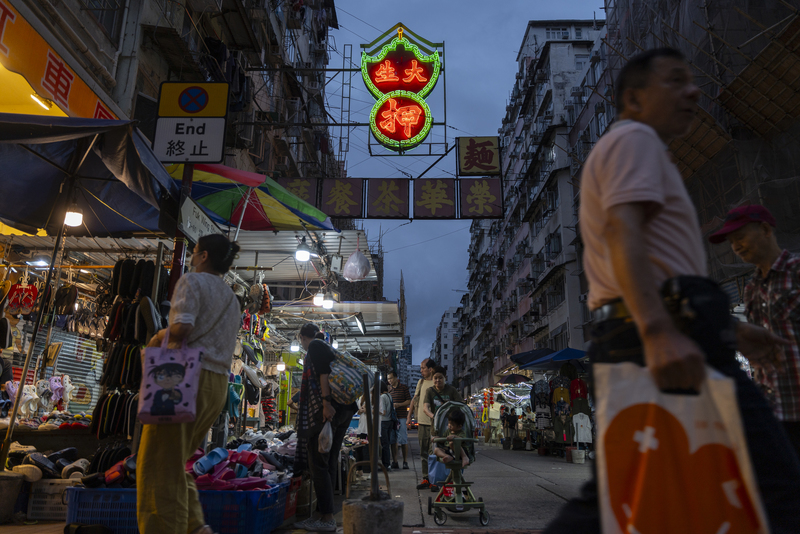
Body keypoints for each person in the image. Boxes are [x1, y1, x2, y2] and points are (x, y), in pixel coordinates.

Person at [544, 47, 800, 533]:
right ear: (635, 99)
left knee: (626, 496)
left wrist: (733, 331)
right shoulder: (633, 139)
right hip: (661, 337)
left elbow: (662, 263)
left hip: (667, 331)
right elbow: (623, 232)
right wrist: (660, 329)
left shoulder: (640, 149)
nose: (693, 90)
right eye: (676, 81)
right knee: (773, 486)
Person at [137, 234, 241, 534]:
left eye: (194, 252)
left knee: (156, 465)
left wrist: (157, 339)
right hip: (217, 385)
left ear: (204, 256)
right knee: (176, 460)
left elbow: (181, 328)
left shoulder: (192, 282)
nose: (192, 257)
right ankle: (195, 527)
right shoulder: (232, 298)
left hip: (184, 379)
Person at [710, 204, 800, 459]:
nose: (735, 247)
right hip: (775, 414)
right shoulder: (751, 289)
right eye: (731, 242)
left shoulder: (796, 272)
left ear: (764, 229)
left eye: (740, 237)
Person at [293, 323, 357, 533]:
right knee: (328, 461)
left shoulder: (316, 347)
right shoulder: (325, 346)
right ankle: (323, 514)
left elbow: (323, 374)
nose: (300, 343)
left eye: (300, 339)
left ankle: (327, 517)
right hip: (343, 410)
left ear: (302, 337)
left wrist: (326, 403)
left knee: (317, 463)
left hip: (330, 410)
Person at [409, 358, 436, 489]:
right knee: (423, 452)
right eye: (420, 368)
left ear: (430, 369)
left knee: (433, 453)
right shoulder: (421, 382)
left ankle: (434, 479)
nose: (421, 371)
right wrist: (409, 417)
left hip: (433, 423)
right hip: (421, 422)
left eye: (423, 368)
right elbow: (414, 399)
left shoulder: (437, 382)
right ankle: (426, 478)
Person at [423, 367, 463, 432]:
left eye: (440, 378)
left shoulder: (452, 390)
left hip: (452, 427)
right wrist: (435, 417)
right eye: (435, 378)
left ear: (445, 378)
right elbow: (425, 409)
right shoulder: (429, 391)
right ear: (432, 379)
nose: (438, 380)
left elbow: (461, 405)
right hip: (436, 426)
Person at [387, 370, 411, 469]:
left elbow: (409, 401)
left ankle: (405, 462)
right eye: (388, 379)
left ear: (396, 378)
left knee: (403, 440)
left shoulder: (404, 388)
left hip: (402, 417)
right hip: (392, 418)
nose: (390, 381)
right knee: (393, 441)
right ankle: (395, 461)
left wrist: (399, 405)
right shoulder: (388, 389)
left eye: (391, 378)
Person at [378, 380, 394, 471]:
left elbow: (383, 412)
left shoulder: (382, 397)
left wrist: (375, 411)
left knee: (384, 444)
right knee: (386, 444)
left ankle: (386, 465)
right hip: (389, 421)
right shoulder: (389, 395)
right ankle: (387, 464)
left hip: (384, 422)